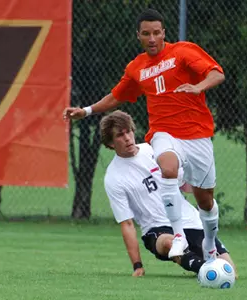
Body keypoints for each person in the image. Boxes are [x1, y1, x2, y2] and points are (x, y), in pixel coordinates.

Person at [63, 8, 226, 261]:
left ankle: (210, 245)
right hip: (164, 132)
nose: (152, 39)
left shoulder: (183, 51)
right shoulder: (136, 68)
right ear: (138, 35)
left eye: (156, 33)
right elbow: (115, 97)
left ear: (164, 33)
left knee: (206, 202)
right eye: (146, 34)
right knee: (168, 169)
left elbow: (217, 73)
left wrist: (198, 87)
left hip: (197, 136)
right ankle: (179, 236)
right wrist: (86, 111)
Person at [100, 111, 235, 277]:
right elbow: (127, 224)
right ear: (110, 143)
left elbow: (183, 183)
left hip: (189, 220)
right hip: (156, 229)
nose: (127, 137)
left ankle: (210, 269)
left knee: (229, 271)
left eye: (128, 131)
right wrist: (137, 265)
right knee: (170, 243)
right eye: (120, 135)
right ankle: (204, 270)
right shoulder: (114, 177)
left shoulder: (152, 150)